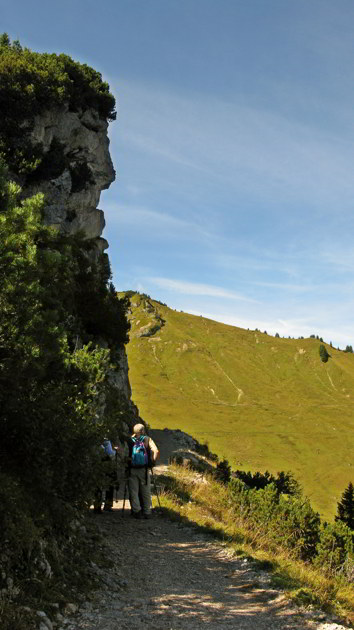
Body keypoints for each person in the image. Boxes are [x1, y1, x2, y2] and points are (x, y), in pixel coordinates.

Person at [127, 423, 159, 519]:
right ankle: (147, 512)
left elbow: (124, 454)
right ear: (143, 431)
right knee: (145, 491)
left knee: (134, 491)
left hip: (132, 469)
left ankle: (136, 511)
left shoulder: (129, 440)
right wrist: (152, 462)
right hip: (144, 470)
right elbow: (156, 451)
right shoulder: (147, 439)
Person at [93, 438, 119, 513]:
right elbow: (110, 454)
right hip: (107, 466)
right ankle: (108, 505)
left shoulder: (93, 441)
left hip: (97, 465)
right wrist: (115, 451)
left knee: (98, 487)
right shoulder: (107, 441)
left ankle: (97, 506)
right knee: (110, 485)